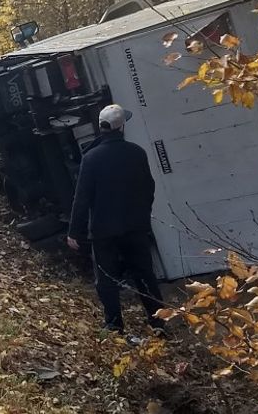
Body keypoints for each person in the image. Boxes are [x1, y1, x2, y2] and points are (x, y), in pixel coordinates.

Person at [67, 104, 165, 340]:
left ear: (102, 127)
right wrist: (142, 215)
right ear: (121, 127)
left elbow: (82, 198)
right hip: (134, 227)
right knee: (144, 275)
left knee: (107, 280)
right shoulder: (137, 153)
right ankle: (159, 323)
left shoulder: (91, 158)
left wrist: (75, 232)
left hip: (103, 231)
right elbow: (148, 188)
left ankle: (114, 326)